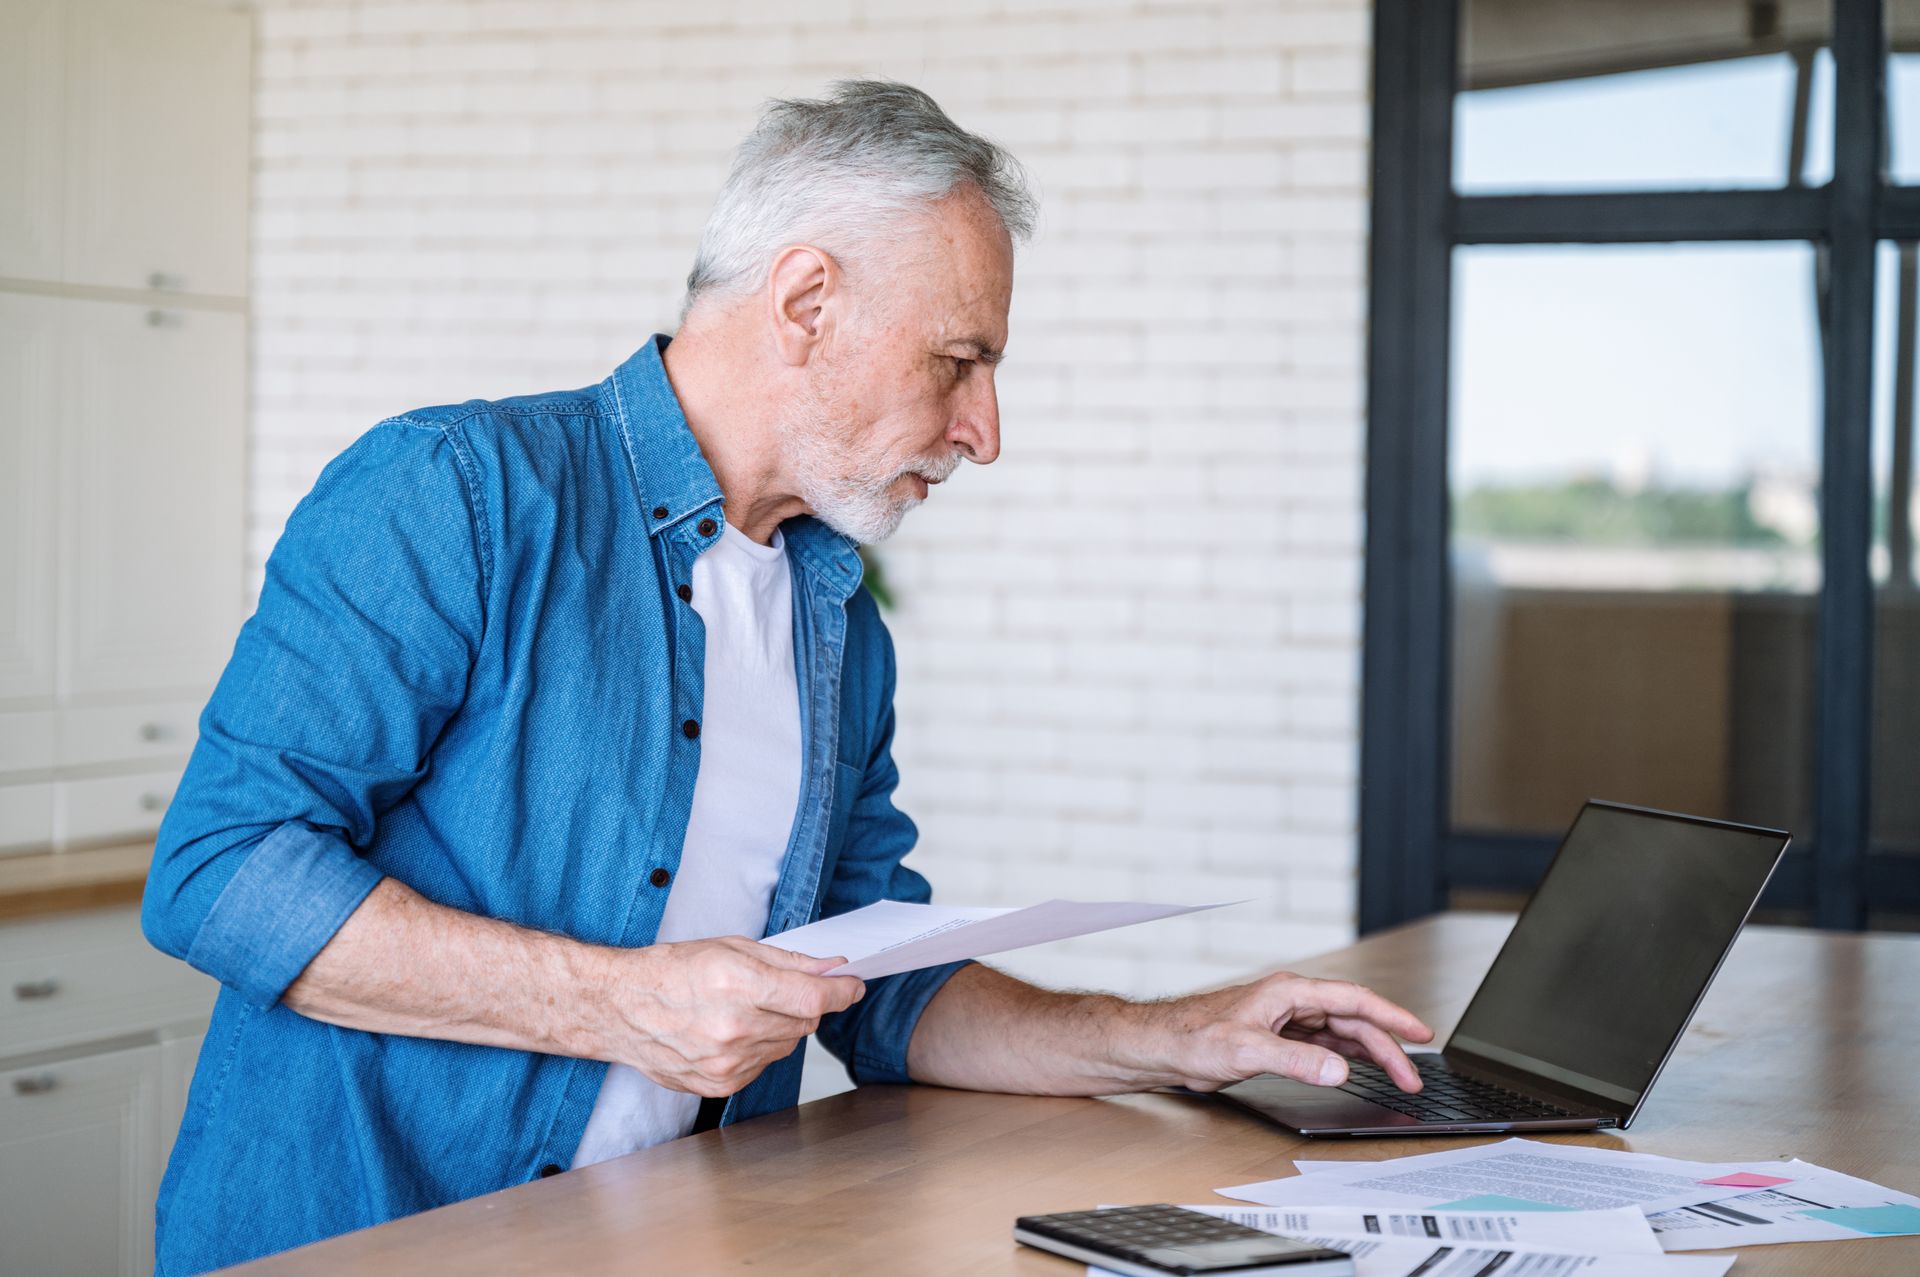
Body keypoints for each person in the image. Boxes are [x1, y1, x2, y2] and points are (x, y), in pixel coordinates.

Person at [142, 80, 1431, 1275]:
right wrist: (618, 1005)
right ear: (808, 302)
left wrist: (1175, 1039)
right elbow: (221, 870)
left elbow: (881, 990)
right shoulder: (458, 494)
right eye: (960, 360)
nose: (984, 432)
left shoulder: (838, 622)